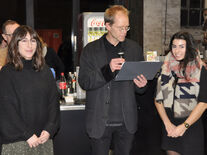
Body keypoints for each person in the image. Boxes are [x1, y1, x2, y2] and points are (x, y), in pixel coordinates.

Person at [78, 5, 147, 155]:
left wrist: (142, 85)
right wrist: (107, 70)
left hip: (126, 121)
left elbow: (140, 88)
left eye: (127, 28)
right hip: (99, 120)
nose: (124, 32)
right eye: (120, 28)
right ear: (107, 26)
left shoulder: (134, 49)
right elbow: (84, 81)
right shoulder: (90, 50)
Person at [0, 25, 60, 155]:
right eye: (24, 40)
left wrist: (50, 129)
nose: (29, 45)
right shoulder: (7, 73)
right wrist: (26, 134)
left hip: (44, 139)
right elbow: (7, 109)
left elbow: (53, 103)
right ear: (15, 44)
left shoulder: (45, 70)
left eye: (33, 40)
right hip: (18, 142)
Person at [155, 31, 207, 155]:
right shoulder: (166, 68)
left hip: (191, 126)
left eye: (181, 46)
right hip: (169, 125)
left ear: (189, 48)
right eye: (174, 46)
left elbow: (204, 103)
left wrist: (184, 126)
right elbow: (158, 99)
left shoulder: (200, 69)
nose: (177, 51)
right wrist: (167, 124)